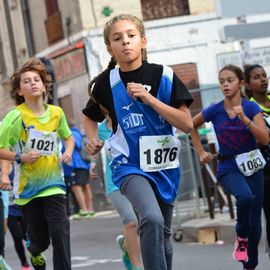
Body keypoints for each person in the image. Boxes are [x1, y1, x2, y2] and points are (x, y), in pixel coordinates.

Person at [83, 14, 193, 270]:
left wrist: (150, 99)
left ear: (143, 40)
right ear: (109, 47)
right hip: (128, 165)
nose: (125, 42)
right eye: (117, 38)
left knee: (163, 235)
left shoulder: (164, 75)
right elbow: (89, 117)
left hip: (164, 165)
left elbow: (187, 123)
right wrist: (91, 140)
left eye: (131, 36)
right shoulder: (105, 83)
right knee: (151, 219)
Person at [190, 64, 269, 270]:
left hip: (253, 166)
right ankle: (240, 236)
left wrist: (244, 119)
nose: (225, 85)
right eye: (222, 81)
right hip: (229, 166)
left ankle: (249, 265)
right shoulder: (214, 110)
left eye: (230, 80)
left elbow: (265, 138)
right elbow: (191, 126)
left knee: (255, 225)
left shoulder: (251, 108)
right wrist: (200, 152)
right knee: (245, 197)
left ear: (241, 83)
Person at [0, 58, 74, 270]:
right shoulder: (14, 118)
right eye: (26, 81)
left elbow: (68, 137)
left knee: (60, 233)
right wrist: (20, 158)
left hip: (54, 184)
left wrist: (67, 152)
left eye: (36, 80)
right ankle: (34, 249)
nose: (32, 83)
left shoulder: (56, 113)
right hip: (29, 188)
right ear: (19, 91)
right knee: (42, 240)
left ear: (44, 86)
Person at [90, 118, 142, 270]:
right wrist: (93, 162)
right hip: (115, 182)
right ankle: (137, 266)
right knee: (131, 221)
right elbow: (95, 147)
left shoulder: (130, 120)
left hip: (138, 179)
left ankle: (126, 246)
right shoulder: (101, 129)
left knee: (143, 221)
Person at [244, 64, 270, 258]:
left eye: (264, 76)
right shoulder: (250, 109)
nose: (262, 79)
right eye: (256, 77)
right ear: (247, 84)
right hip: (265, 172)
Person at [62, 119, 95, 219]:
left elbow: (76, 145)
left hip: (75, 165)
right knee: (85, 186)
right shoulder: (78, 133)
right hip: (84, 164)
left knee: (76, 187)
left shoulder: (71, 134)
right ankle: (89, 210)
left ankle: (84, 210)